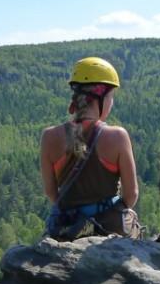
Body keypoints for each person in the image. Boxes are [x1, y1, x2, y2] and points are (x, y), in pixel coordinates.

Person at [41, 57, 142, 240]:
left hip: (66, 230)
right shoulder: (117, 136)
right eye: (111, 97)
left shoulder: (49, 137)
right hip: (109, 230)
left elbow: (51, 193)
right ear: (101, 97)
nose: (112, 103)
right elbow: (131, 195)